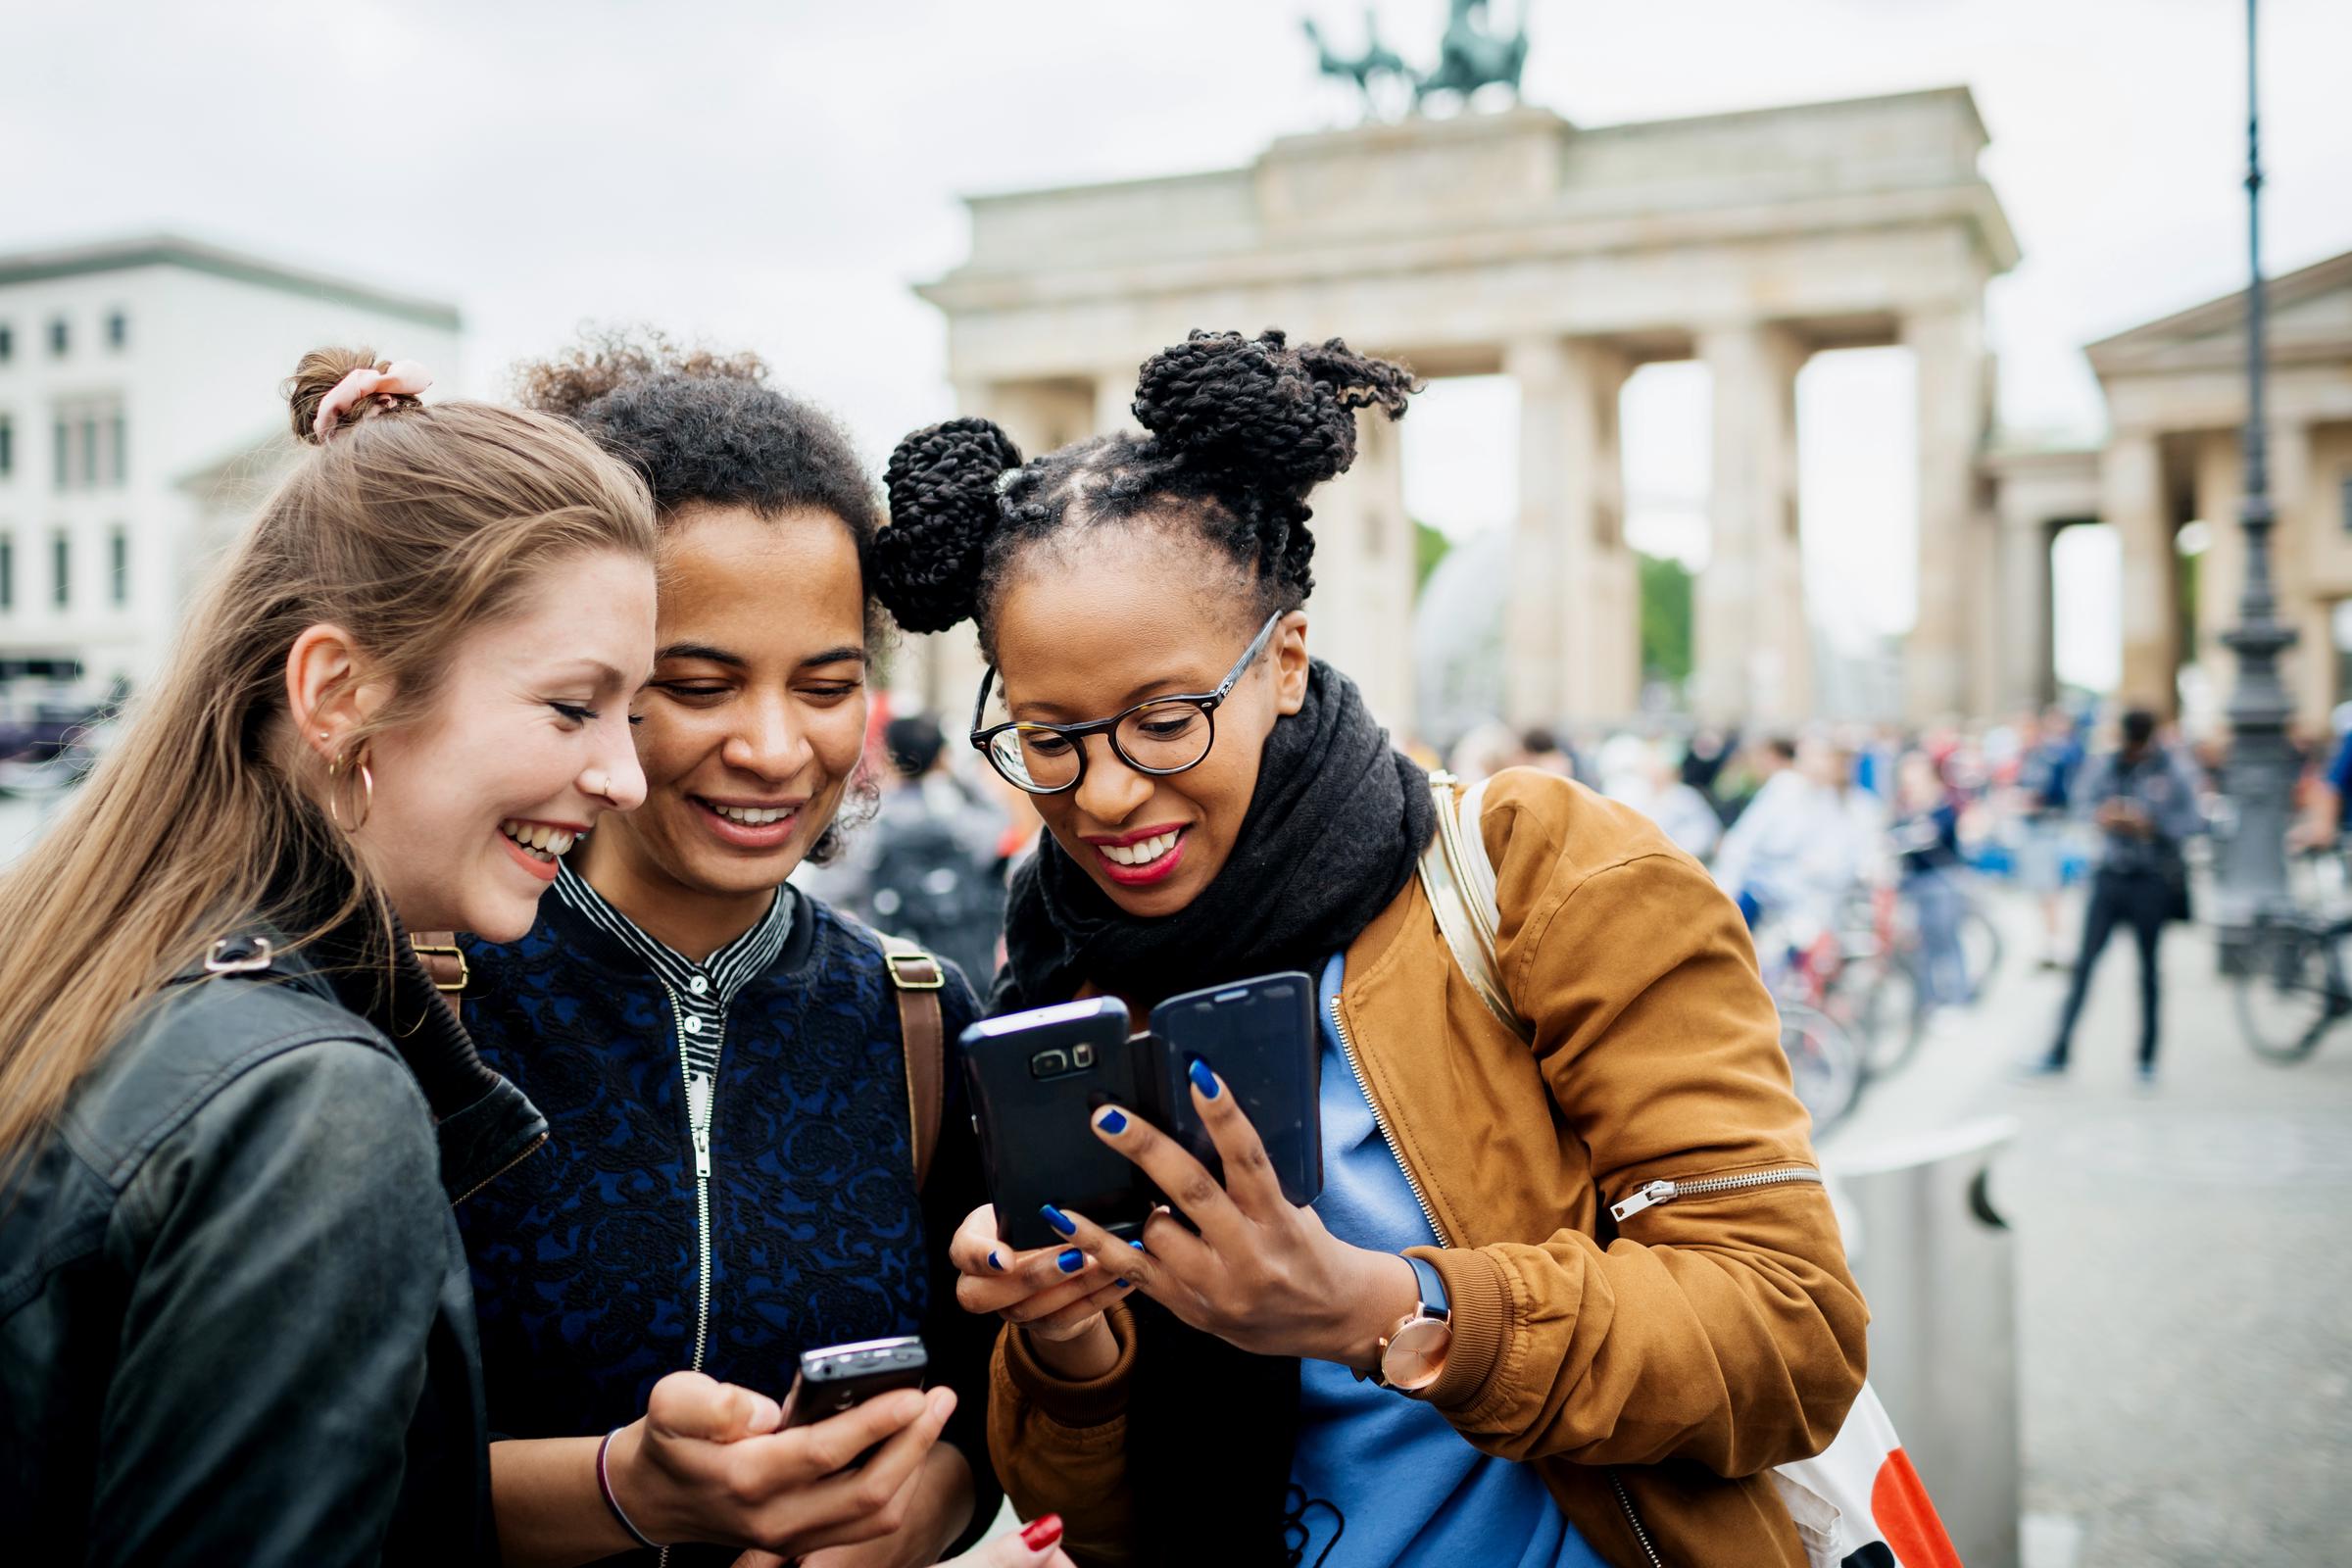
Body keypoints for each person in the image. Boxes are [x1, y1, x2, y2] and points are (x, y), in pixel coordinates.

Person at [873, 329, 1867, 1567]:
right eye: (1048, 734)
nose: (1108, 793)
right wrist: (1070, 1343)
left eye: (1165, 720)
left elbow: (1790, 1332)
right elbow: (1098, 1522)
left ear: (1283, 659)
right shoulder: (1063, 977)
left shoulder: (1544, 876)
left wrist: (1386, 1309)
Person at [0, 351, 660, 1563]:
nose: (625, 775)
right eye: (573, 707)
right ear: (338, 689)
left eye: (636, 712)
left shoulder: (86, 966)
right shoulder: (308, 1100)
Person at [454, 335, 1012, 1567]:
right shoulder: (424, 999)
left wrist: (921, 1509)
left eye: (824, 687)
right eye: (701, 684)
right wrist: (622, 1489)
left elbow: (990, 1405)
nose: (773, 747)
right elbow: (313, 1455)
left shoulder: (922, 1016)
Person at [2030, 708, 2205, 1085]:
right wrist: (2103, 816)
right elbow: (2080, 803)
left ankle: (2147, 1058)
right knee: (2085, 967)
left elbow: (2192, 821)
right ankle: (2058, 1050)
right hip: (2109, 877)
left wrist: (2151, 825)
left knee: (2149, 973)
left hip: (2150, 879)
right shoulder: (2104, 765)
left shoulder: (2172, 768)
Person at [848, 713, 1011, 984]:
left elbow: (830, 891)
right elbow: (1000, 818)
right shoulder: (963, 826)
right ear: (940, 759)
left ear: (889, 756)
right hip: (968, 974)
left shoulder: (867, 826)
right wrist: (955, 771)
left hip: (896, 978)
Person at [2015, 707, 2085, 968]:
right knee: (2042, 892)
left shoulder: (2054, 757)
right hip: (2035, 827)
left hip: (2047, 826)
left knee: (2051, 891)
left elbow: (2057, 792)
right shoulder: (2031, 757)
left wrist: (2031, 802)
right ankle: (2050, 942)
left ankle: (2059, 945)